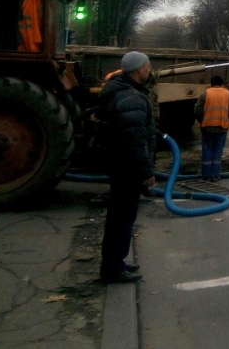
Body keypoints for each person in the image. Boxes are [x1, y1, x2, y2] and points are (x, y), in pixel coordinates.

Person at [97, 51, 156, 284]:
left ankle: (116, 262)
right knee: (122, 219)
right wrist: (146, 172)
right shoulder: (131, 97)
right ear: (139, 69)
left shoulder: (119, 91)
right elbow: (134, 141)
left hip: (119, 165)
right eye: (148, 66)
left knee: (119, 218)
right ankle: (113, 269)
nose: (149, 70)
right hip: (127, 169)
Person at [194, 75, 229, 181]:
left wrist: (202, 121)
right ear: (222, 84)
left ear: (211, 84)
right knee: (218, 152)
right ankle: (215, 175)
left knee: (207, 151)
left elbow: (197, 110)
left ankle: (206, 175)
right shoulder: (228, 94)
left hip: (207, 128)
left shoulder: (205, 94)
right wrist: (227, 120)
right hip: (222, 128)